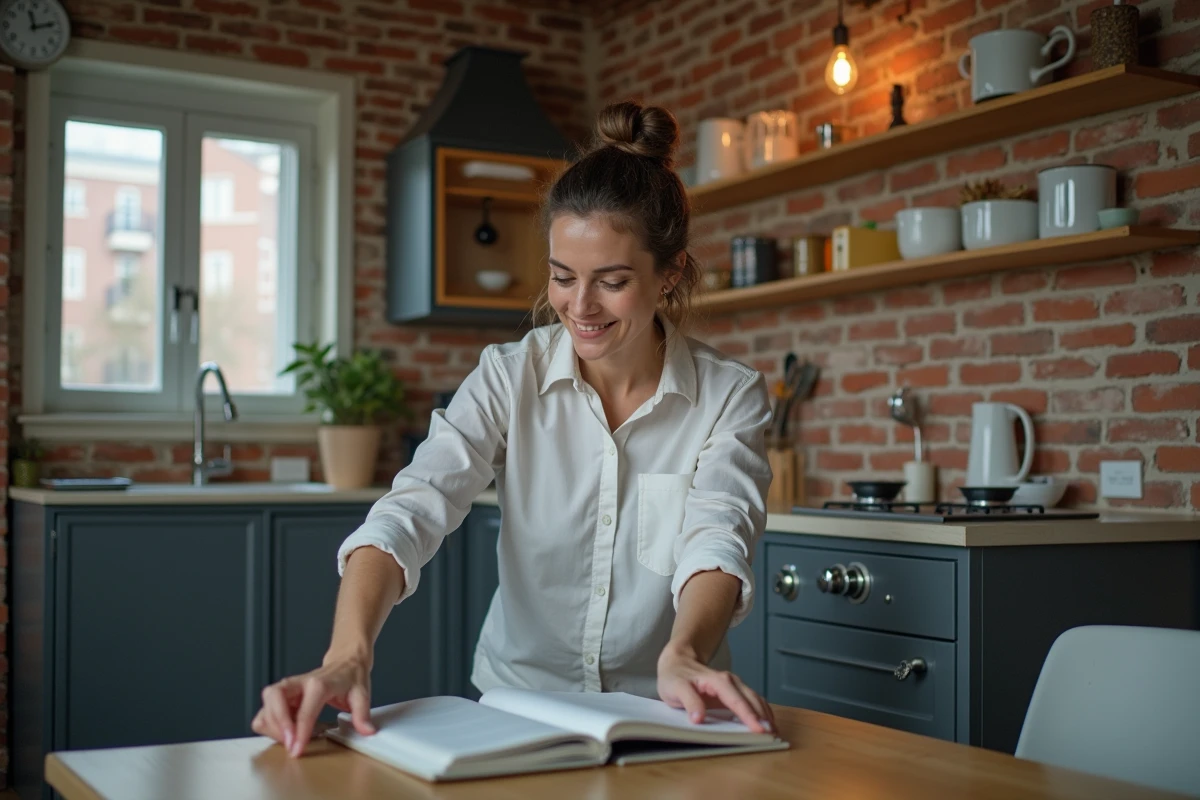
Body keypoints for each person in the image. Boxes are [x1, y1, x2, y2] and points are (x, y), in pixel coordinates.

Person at [252, 101, 777, 758]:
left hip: (666, 715)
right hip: (516, 712)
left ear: (668, 274)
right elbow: (412, 509)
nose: (579, 307)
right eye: (563, 277)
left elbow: (716, 537)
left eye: (611, 282)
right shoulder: (508, 376)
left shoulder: (729, 396)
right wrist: (346, 656)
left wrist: (684, 653)